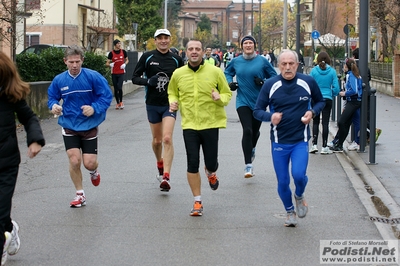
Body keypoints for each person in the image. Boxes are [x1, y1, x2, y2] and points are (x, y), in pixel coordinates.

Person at [253, 49, 325, 227]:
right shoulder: (270, 85)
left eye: (291, 64)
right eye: (283, 64)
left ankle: (299, 195)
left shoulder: (307, 81)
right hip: (279, 142)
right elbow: (257, 111)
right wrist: (271, 117)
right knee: (283, 181)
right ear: (278, 66)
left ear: (297, 64)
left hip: (300, 140)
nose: (287, 67)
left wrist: (312, 112)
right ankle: (289, 211)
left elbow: (321, 101)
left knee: (299, 176)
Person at [168, 39, 232, 216]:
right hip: (189, 124)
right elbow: (172, 91)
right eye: (190, 49)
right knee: (192, 163)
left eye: (197, 49)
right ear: (186, 52)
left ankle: (211, 171)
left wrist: (220, 98)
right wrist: (173, 102)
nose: (194, 52)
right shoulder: (178, 73)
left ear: (203, 52)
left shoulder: (215, 72)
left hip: (211, 123)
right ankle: (197, 201)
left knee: (211, 162)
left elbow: (227, 93)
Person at [47, 45, 113, 207]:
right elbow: (52, 98)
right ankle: (80, 194)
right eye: (71, 62)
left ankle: (93, 171)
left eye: (77, 61)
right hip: (69, 124)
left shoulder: (93, 77)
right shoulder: (59, 80)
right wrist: (54, 106)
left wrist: (94, 108)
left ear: (82, 60)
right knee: (75, 160)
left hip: (89, 125)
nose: (75, 65)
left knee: (89, 162)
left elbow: (106, 96)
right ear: (65, 62)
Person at [0, 51, 45, 265]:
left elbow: (29, 118)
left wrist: (35, 140)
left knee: (0, 209)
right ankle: (10, 229)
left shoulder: (10, 96)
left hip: (6, 164)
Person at [131, 29, 184, 192]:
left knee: (167, 138)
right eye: (160, 38)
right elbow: (134, 77)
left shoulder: (176, 59)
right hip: (152, 103)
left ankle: (166, 176)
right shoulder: (147, 57)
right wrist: (148, 81)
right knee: (157, 141)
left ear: (170, 40)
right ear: (155, 41)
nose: (163, 41)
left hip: (170, 104)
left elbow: (184, 80)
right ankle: (159, 163)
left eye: (166, 38)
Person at [224, 35, 277, 178]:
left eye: (250, 43)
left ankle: (252, 147)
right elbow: (227, 72)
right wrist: (230, 83)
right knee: (247, 130)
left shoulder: (262, 61)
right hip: (243, 101)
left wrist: (264, 82)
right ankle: (248, 165)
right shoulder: (236, 61)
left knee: (255, 131)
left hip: (259, 102)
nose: (248, 45)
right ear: (242, 46)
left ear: (254, 45)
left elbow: (274, 76)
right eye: (245, 43)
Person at [309, 51, 340, 154]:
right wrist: (332, 93)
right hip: (327, 98)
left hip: (316, 98)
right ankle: (324, 146)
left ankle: (314, 145)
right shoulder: (332, 71)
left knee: (315, 122)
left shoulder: (313, 71)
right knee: (325, 122)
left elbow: (309, 84)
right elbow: (336, 88)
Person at [330, 58, 363, 152]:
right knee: (354, 122)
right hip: (355, 101)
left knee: (342, 122)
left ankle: (340, 144)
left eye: (344, 65)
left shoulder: (351, 75)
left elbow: (354, 90)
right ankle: (354, 142)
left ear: (346, 66)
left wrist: (344, 93)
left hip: (353, 101)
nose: (343, 67)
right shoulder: (354, 74)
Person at [106, 39, 129, 110]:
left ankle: (121, 102)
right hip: (114, 73)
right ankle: (117, 103)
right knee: (116, 89)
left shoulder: (123, 52)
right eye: (118, 43)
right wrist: (110, 65)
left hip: (121, 72)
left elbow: (127, 60)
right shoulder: (111, 53)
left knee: (119, 87)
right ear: (115, 45)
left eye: (120, 43)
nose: (119, 45)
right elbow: (106, 63)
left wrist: (125, 64)